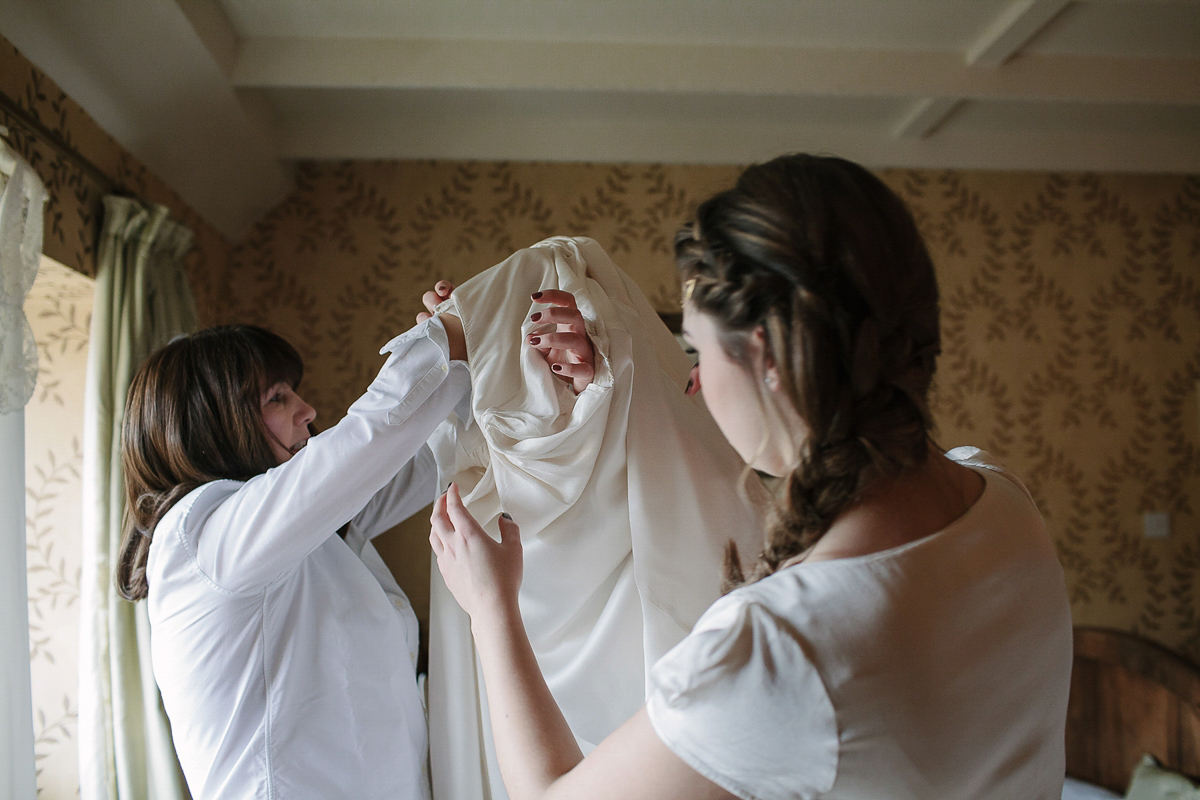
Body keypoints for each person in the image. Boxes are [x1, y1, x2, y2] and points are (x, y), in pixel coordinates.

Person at [428, 153, 1075, 800]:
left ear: (764, 355)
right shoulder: (1001, 497)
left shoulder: (777, 649)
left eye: (697, 351)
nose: (693, 380)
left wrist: (492, 607)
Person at [115, 301, 592, 799]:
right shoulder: (203, 534)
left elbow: (432, 454)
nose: (307, 410)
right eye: (277, 397)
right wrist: (452, 330)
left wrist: (499, 365)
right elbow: (371, 434)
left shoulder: (312, 534)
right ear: (211, 423)